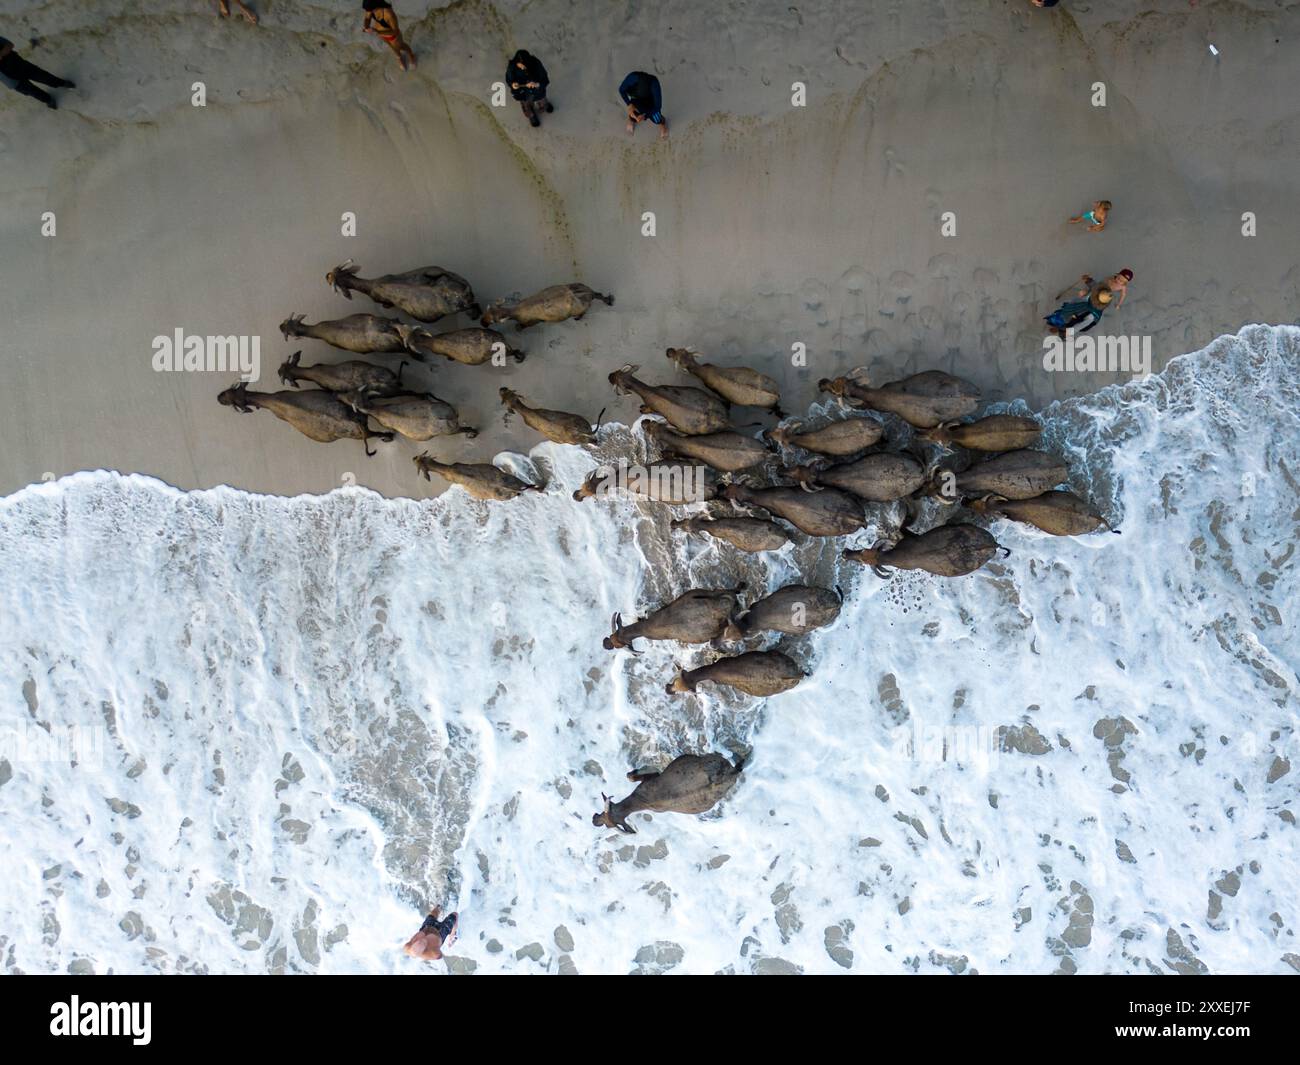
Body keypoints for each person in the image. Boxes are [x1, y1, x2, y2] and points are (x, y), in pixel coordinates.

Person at [0, 35, 75, 109]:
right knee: (32, 92)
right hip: (10, 80)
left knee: (43, 76)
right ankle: (48, 100)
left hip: (19, 65)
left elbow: (10, 45)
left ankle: (62, 83)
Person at [1044, 274, 1113, 337]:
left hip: (1080, 317)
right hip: (1079, 307)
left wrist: (1068, 332)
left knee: (1069, 322)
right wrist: (1088, 280)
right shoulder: (1097, 292)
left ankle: (1059, 328)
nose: (1093, 292)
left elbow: (1080, 326)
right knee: (1067, 312)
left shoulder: (1091, 316)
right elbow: (1095, 286)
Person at [362, 1, 416, 71]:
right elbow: (367, 18)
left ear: (376, 6)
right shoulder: (371, 10)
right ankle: (399, 57)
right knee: (392, 48)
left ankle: (411, 55)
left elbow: (395, 31)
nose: (368, 12)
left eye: (370, 10)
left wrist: (378, 32)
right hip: (382, 35)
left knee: (402, 46)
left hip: (393, 36)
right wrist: (366, 27)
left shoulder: (389, 14)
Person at [506, 49, 552, 127]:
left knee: (542, 99)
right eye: (519, 64)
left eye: (524, 65)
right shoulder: (512, 67)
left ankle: (544, 106)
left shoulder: (536, 63)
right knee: (526, 106)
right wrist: (513, 84)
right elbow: (509, 80)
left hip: (537, 91)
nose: (522, 66)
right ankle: (531, 116)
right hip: (523, 93)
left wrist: (537, 84)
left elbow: (544, 77)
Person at [619, 70, 668, 140]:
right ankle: (631, 120)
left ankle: (662, 125)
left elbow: (658, 106)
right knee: (633, 113)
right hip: (636, 98)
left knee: (656, 118)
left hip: (651, 101)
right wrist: (629, 104)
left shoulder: (654, 84)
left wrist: (645, 116)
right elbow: (621, 90)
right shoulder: (632, 78)